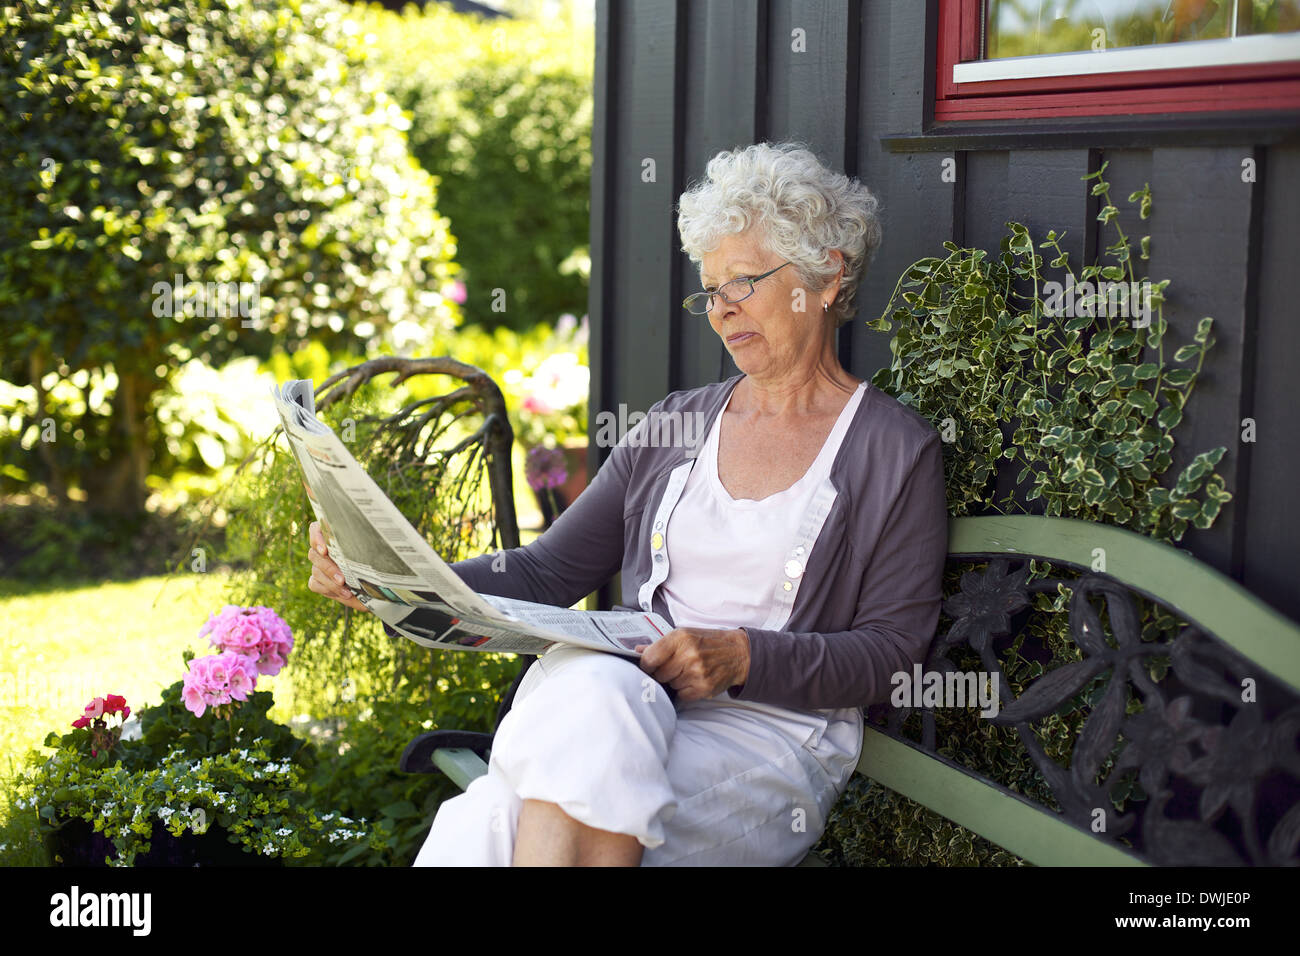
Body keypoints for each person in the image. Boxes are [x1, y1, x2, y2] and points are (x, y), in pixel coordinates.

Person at [307, 141, 949, 866]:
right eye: (710, 290)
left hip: (768, 736)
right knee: (596, 699)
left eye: (742, 282)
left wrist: (742, 655)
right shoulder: (679, 423)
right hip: (628, 700)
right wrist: (390, 580)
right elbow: (545, 574)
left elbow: (892, 657)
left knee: (492, 822)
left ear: (826, 274)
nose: (720, 311)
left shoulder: (894, 451)